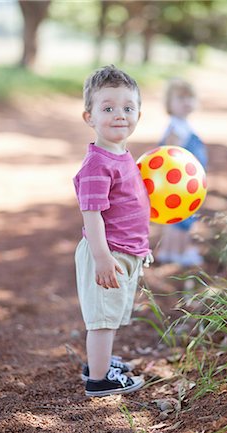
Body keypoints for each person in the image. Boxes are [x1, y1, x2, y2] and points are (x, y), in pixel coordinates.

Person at [73, 65, 152, 397]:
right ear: (89, 117)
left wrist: (141, 246)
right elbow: (91, 214)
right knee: (102, 319)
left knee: (113, 312)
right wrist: (102, 257)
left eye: (128, 108)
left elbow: (131, 207)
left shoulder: (123, 156)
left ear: (138, 113)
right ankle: (100, 379)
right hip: (107, 252)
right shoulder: (97, 164)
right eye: (108, 108)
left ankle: (99, 363)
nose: (120, 115)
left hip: (124, 250)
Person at [156, 78, 208, 266]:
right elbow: (170, 154)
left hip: (184, 183)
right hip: (181, 183)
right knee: (183, 219)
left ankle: (168, 250)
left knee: (176, 219)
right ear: (169, 104)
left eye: (190, 97)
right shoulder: (175, 128)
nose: (186, 102)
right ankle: (181, 250)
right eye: (180, 98)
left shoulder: (181, 124)